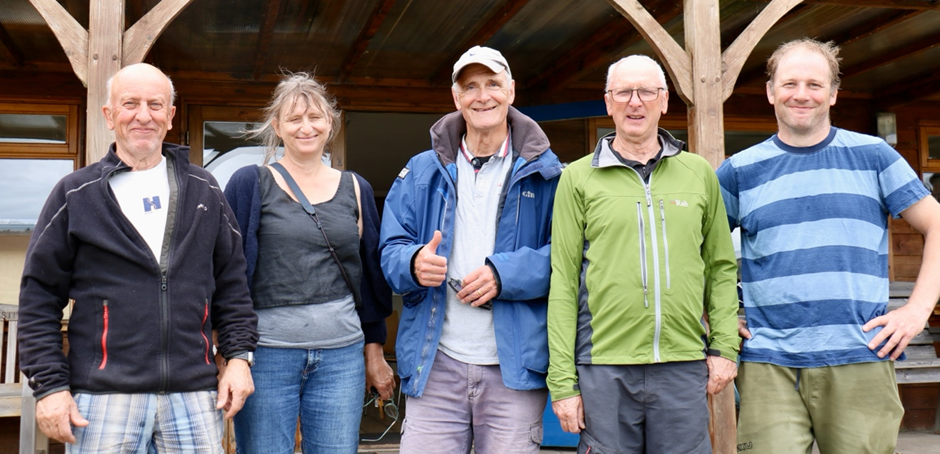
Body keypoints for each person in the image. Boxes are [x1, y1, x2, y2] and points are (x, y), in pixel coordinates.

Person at [17, 63, 259, 452]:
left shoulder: (205, 190)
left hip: (193, 395)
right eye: (130, 103)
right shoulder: (76, 194)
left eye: (155, 104)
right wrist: (50, 387)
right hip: (103, 398)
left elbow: (233, 282)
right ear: (109, 115)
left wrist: (238, 358)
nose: (143, 115)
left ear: (170, 115)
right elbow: (39, 295)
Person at [716, 38, 940, 453]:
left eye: (815, 84)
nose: (802, 94)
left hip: (861, 355)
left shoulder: (874, 156)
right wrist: (714, 318)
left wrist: (916, 311)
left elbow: (937, 224)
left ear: (834, 94)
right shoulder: (737, 172)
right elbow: (696, 252)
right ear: (770, 92)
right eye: (790, 83)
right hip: (769, 364)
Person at [547, 55, 740, 454]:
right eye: (624, 92)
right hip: (604, 366)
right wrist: (562, 381)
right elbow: (563, 283)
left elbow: (721, 267)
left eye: (646, 91)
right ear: (608, 101)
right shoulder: (577, 178)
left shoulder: (698, 172)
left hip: (683, 362)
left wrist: (724, 347)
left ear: (664, 100)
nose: (635, 102)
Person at [379, 46, 562, 453]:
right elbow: (389, 249)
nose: (483, 96)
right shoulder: (421, 170)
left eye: (493, 84)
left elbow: (568, 259)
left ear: (511, 91)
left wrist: (504, 274)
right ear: (456, 97)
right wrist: (412, 262)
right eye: (471, 87)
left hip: (514, 367)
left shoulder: (548, 173)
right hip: (435, 362)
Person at [224, 72, 393, 454]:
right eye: (294, 118)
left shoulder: (355, 187)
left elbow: (371, 276)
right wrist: (231, 354)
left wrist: (375, 348)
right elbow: (227, 273)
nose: (306, 127)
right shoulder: (250, 183)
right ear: (277, 126)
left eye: (315, 117)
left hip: (341, 357)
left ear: (330, 123)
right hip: (267, 356)